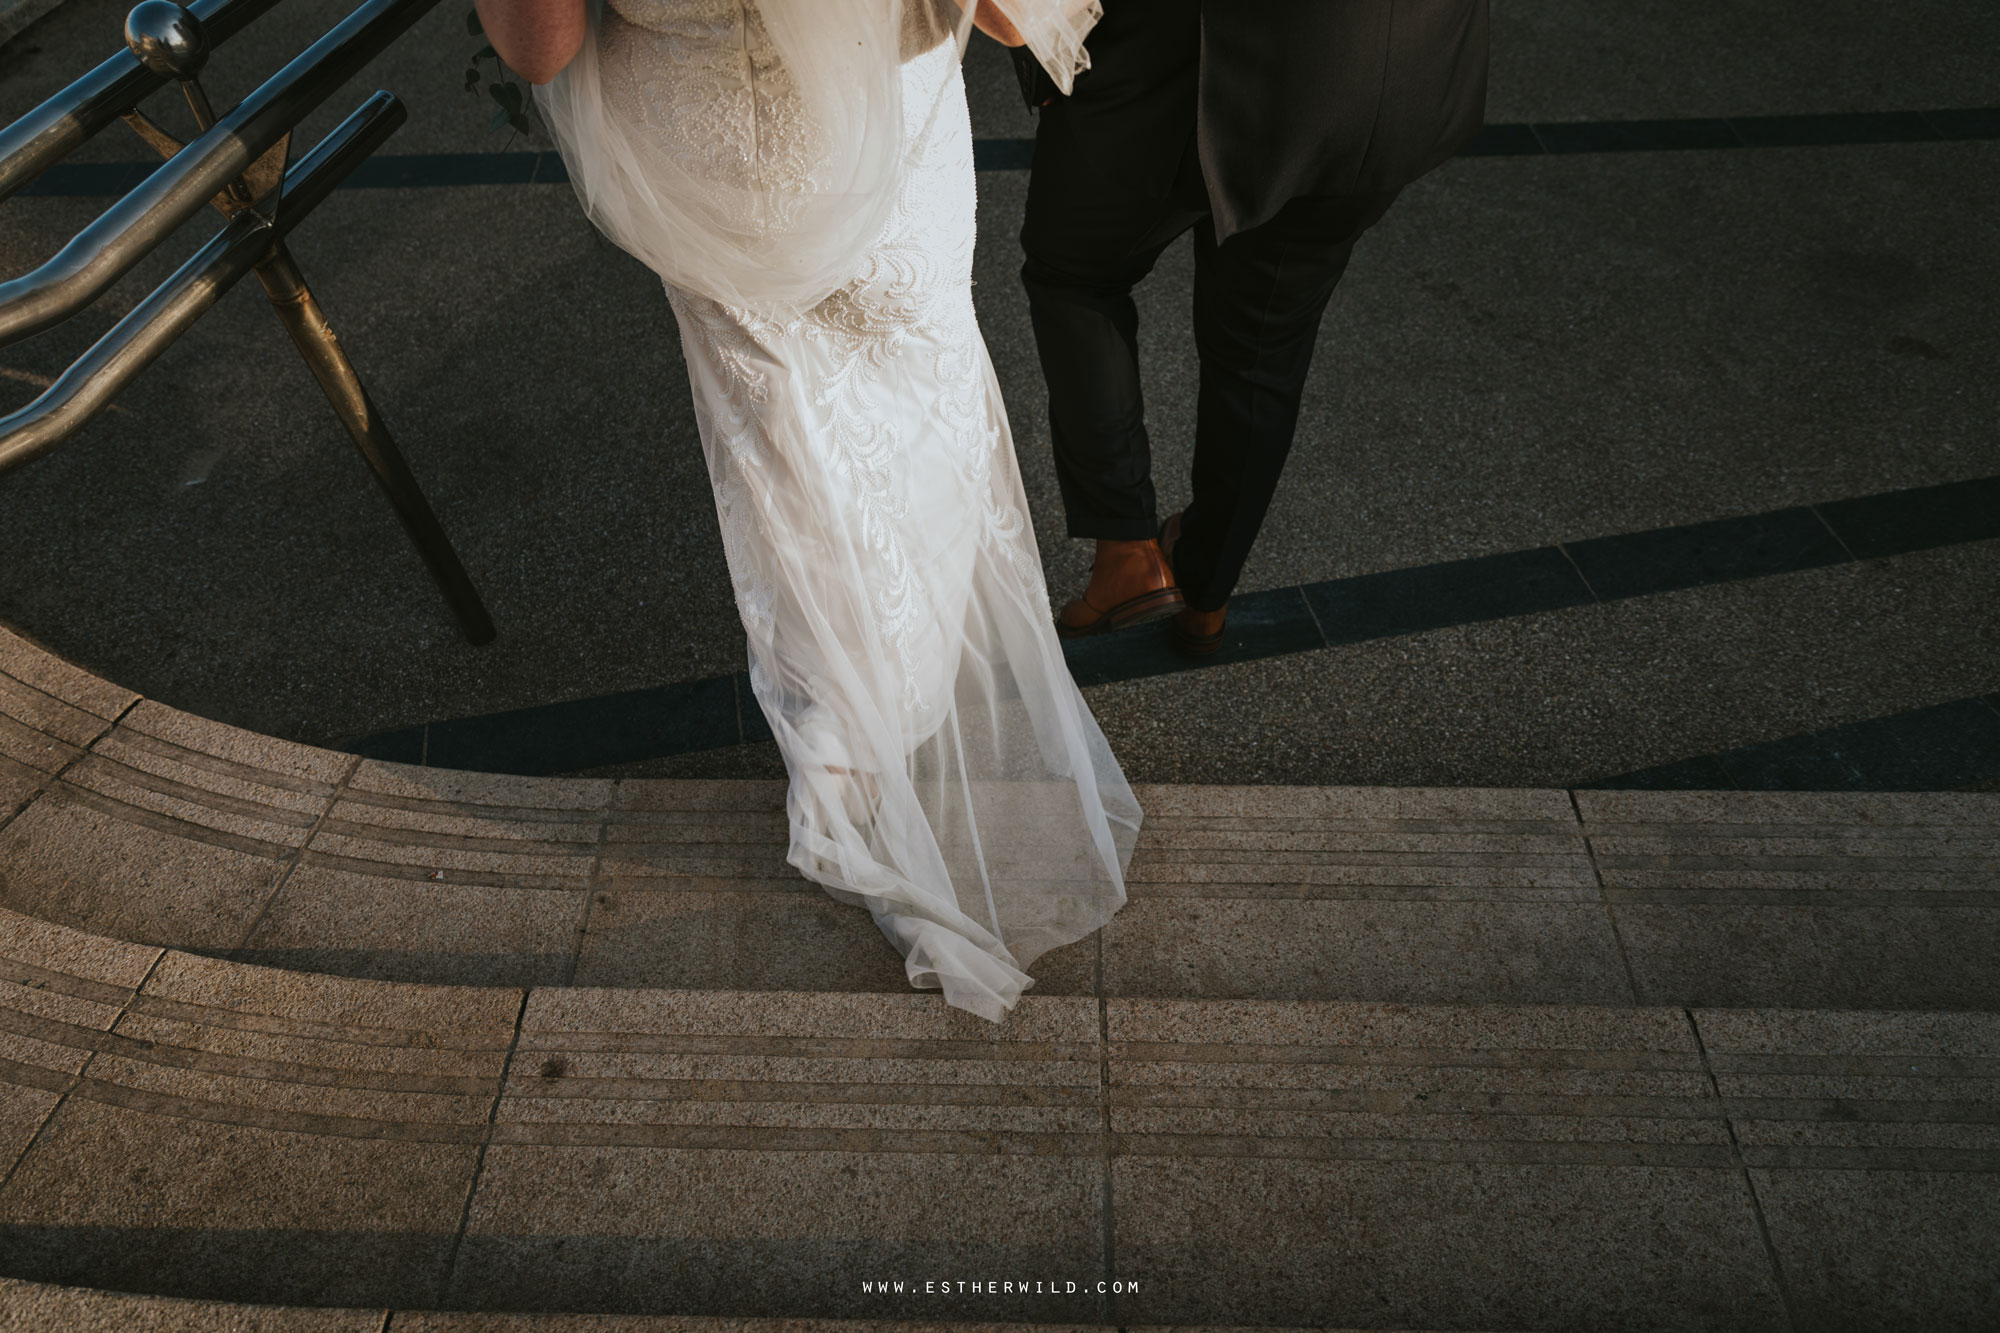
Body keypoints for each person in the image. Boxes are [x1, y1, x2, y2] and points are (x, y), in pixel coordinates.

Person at [474, 0, 1136, 1021]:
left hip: (709, 172)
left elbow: (541, 45)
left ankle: (837, 740)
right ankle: (882, 713)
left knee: (782, 455)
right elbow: (1010, 18)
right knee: (924, 417)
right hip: (887, 147)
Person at [1020, 0, 1490, 655]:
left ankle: (1127, 553)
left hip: (1203, 52)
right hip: (1395, 68)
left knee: (1072, 271)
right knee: (1263, 347)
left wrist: (1043, 44)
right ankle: (1205, 588)